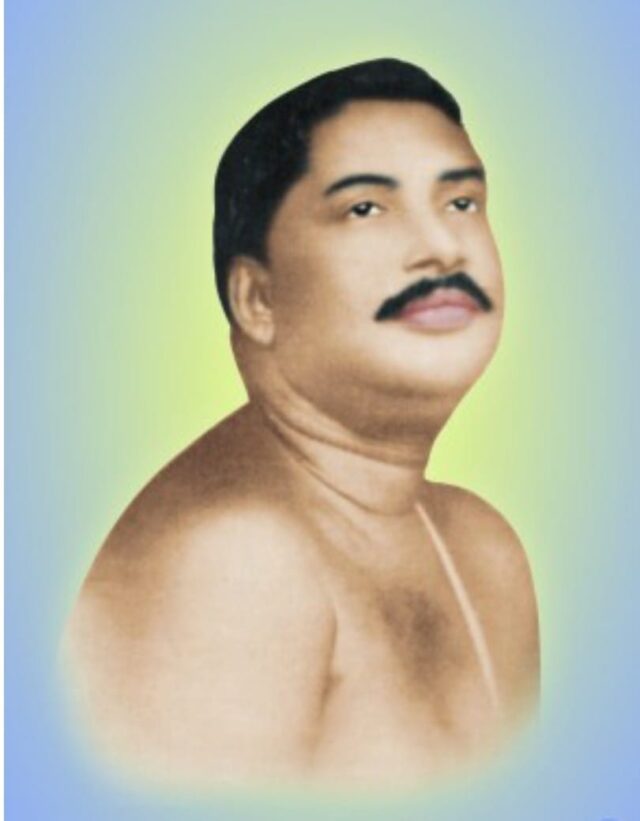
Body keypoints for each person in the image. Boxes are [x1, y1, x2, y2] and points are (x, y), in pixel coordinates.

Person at [62, 58, 539, 789]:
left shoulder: (480, 547)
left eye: (461, 201)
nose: (443, 247)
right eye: (366, 208)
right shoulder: (236, 563)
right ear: (257, 300)